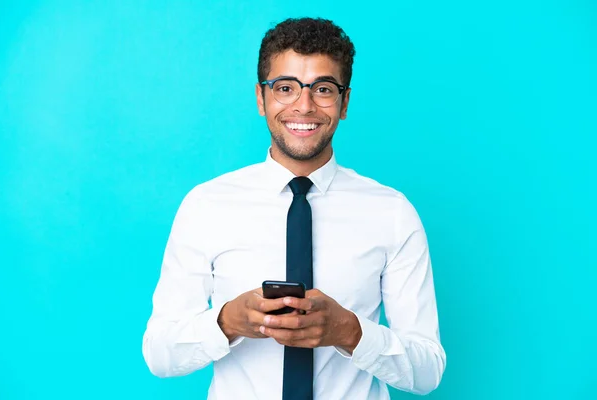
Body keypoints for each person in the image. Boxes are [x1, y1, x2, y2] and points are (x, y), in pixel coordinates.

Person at [142, 17, 446, 400]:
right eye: (285, 87)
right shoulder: (206, 206)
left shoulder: (393, 213)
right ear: (261, 98)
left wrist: (350, 332)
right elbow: (159, 354)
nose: (303, 106)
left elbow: (428, 370)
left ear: (344, 101)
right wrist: (227, 323)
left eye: (322, 88)